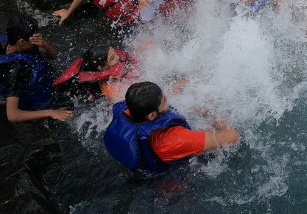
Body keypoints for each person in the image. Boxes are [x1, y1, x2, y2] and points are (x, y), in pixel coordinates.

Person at [104, 81, 238, 171]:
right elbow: (232, 137)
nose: (167, 98)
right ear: (152, 116)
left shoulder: (130, 108)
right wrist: (209, 111)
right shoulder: (171, 139)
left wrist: (185, 83)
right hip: (171, 181)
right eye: (163, 100)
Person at [0, 13, 72, 122]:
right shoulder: (14, 70)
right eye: (33, 37)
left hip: (50, 87)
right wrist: (51, 112)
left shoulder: (19, 42)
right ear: (22, 42)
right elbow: (12, 115)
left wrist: (45, 44)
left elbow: (53, 56)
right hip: (38, 106)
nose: (36, 38)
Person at [54, 43, 140, 100]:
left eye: (115, 53)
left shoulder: (114, 58)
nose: (118, 57)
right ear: (101, 68)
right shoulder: (108, 87)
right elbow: (133, 97)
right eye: (112, 58)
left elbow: (128, 58)